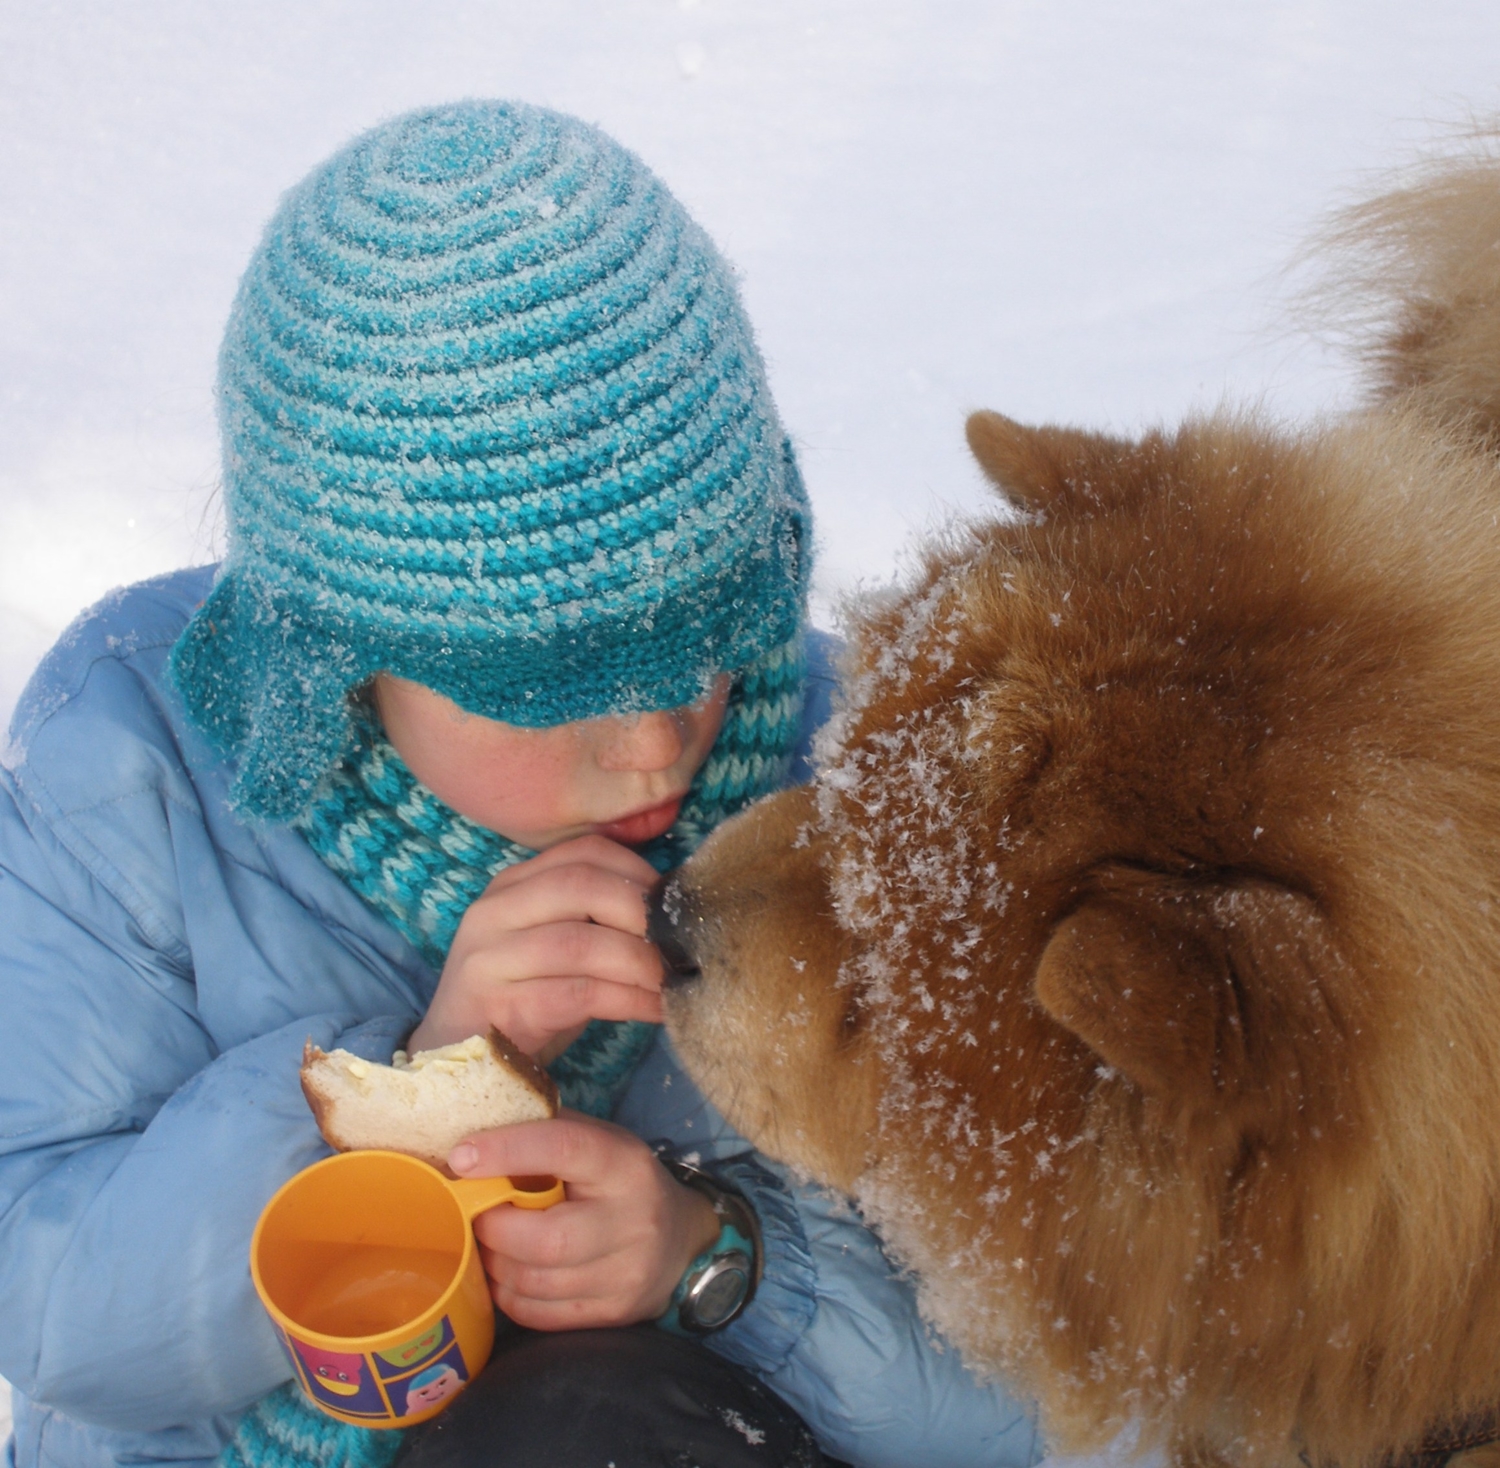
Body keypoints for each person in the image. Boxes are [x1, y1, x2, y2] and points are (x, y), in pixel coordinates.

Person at [0, 101, 1041, 1468]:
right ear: (343, 663)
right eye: (555, 691)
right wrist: (396, 1103)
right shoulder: (136, 764)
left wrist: (721, 1267)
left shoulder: (845, 781)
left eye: (712, 643)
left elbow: (1042, 1379)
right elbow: (52, 1310)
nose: (661, 744)